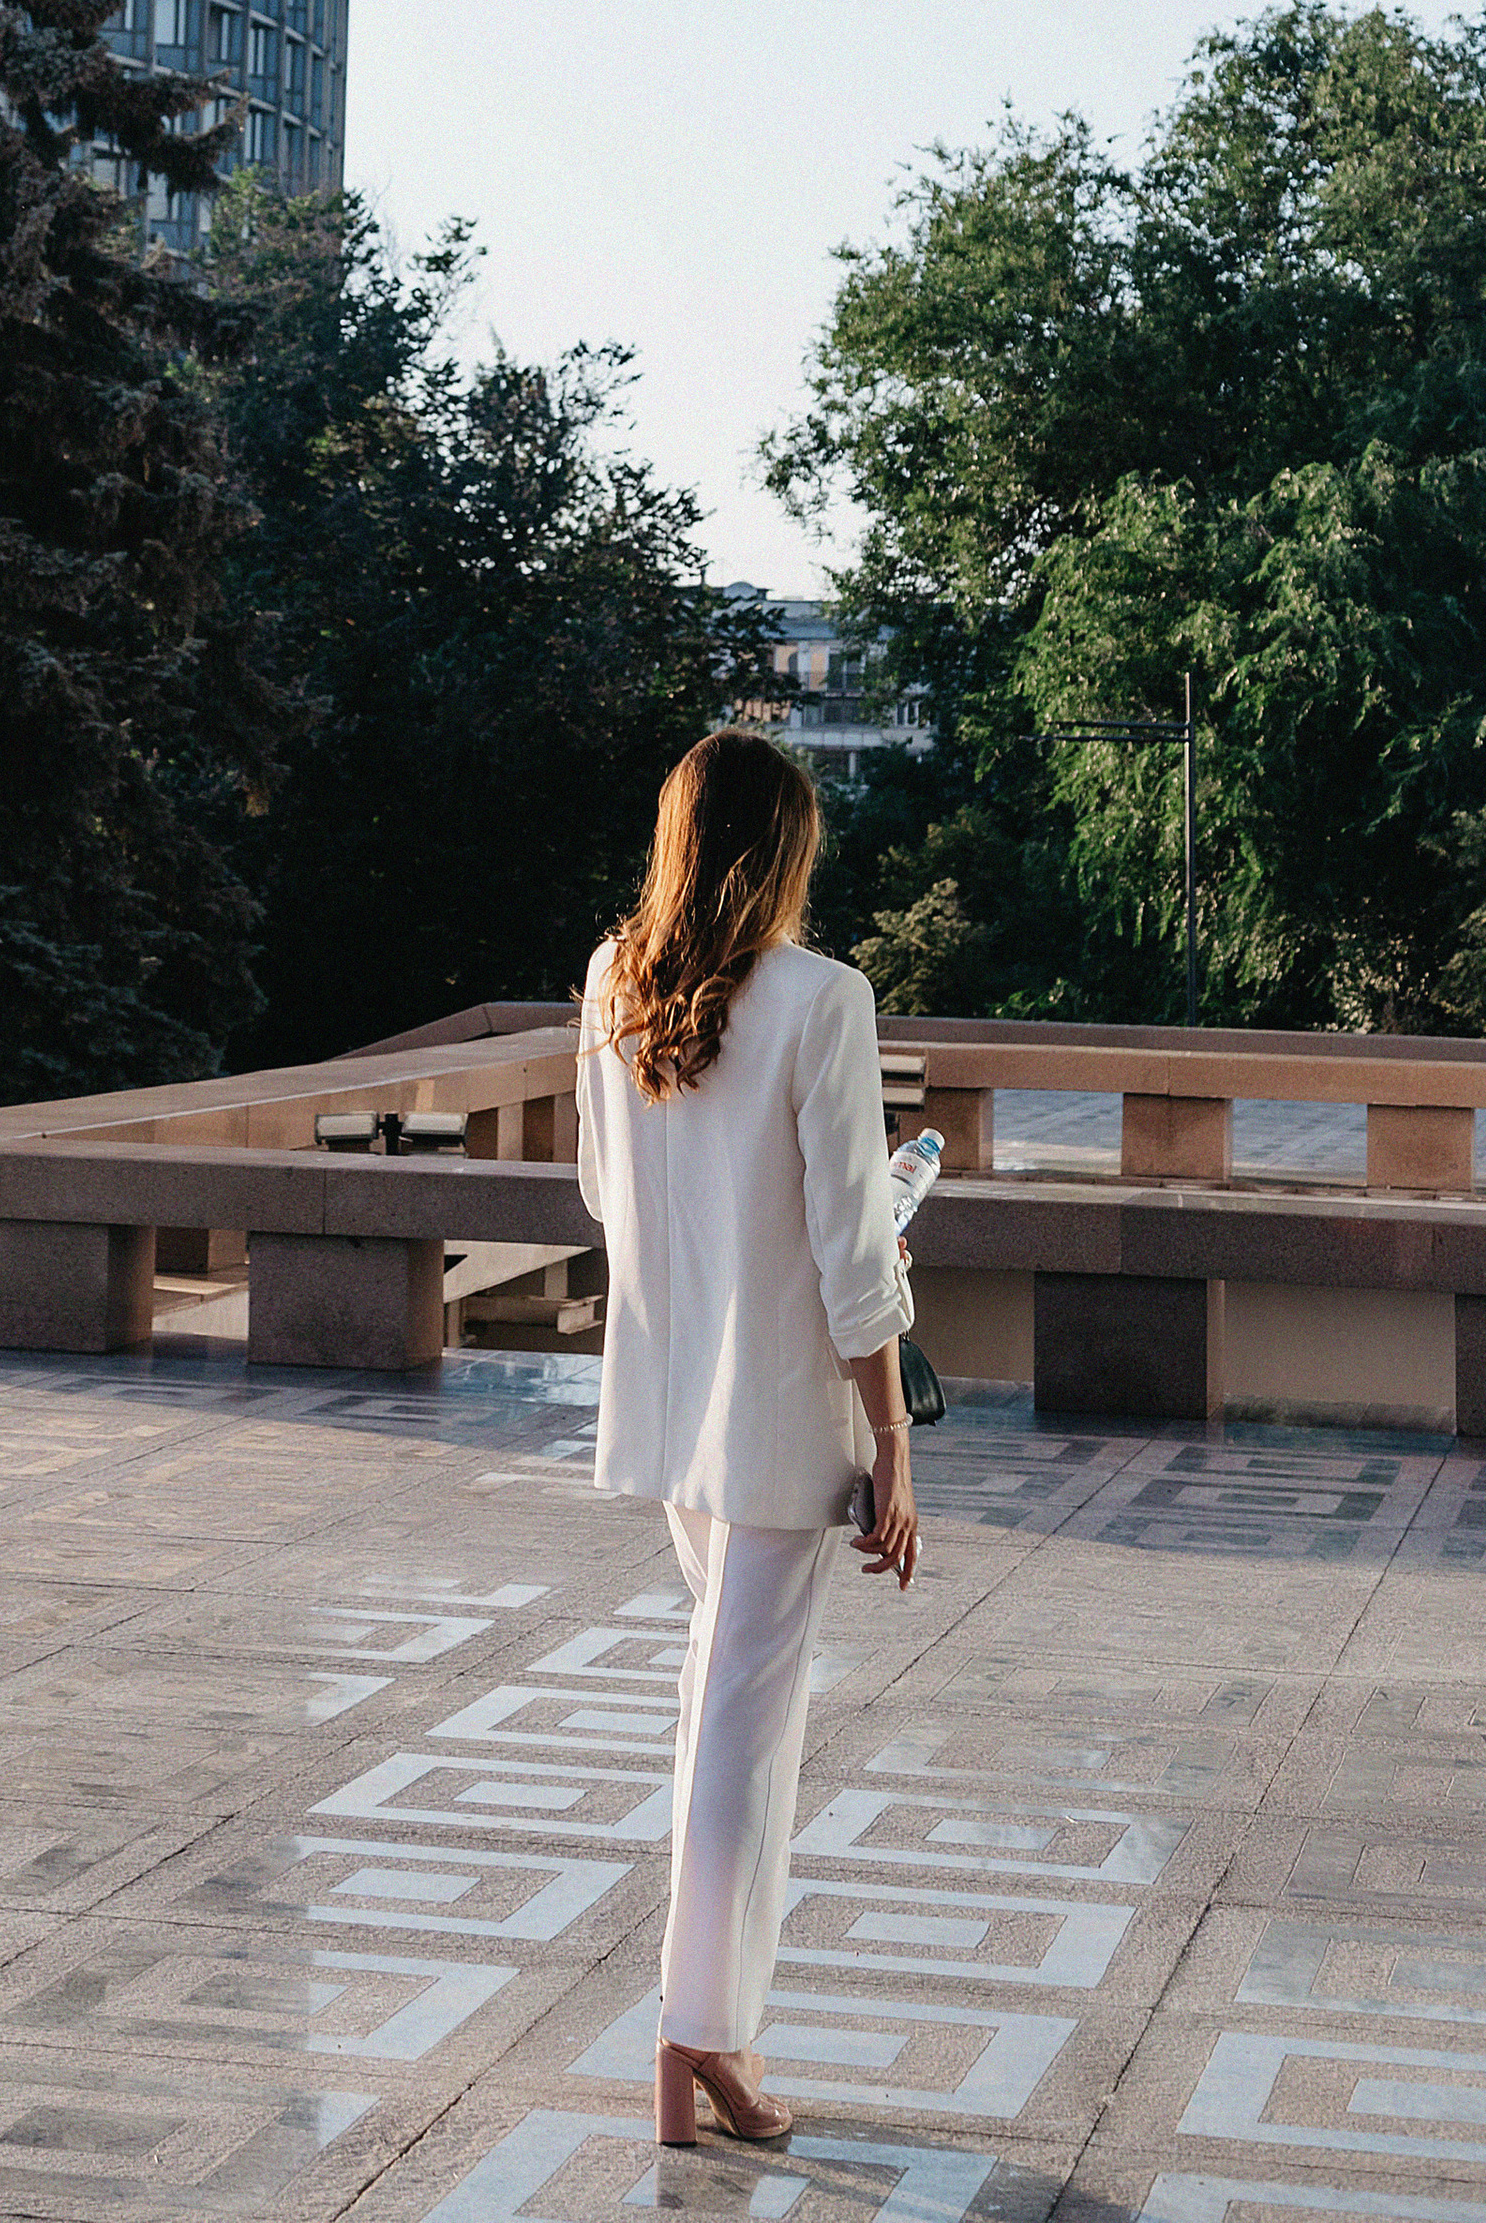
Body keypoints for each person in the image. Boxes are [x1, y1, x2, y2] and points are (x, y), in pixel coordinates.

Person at [577, 728, 920, 2155]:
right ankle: (698, 2037)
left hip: (673, 1407)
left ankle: (698, 2036)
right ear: (784, 850)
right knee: (744, 1733)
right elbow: (850, 1252)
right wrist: (894, 1438)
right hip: (779, 1420)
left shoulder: (613, 982)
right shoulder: (822, 1001)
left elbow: (607, 1196)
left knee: (713, 1710)